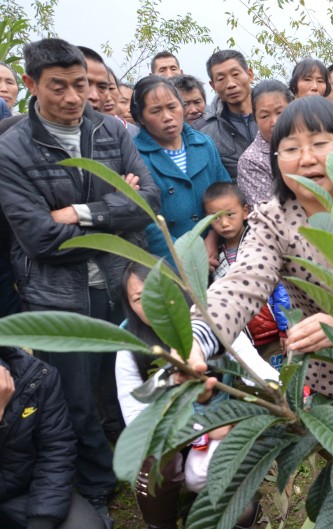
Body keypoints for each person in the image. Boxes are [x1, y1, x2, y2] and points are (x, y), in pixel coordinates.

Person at [0, 38, 160, 515]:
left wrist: (76, 212)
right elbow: (40, 239)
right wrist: (115, 211)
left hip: (118, 280)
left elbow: (148, 202)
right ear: (30, 84)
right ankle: (96, 482)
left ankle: (134, 458)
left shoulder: (110, 130)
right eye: (59, 87)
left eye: (81, 84)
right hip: (57, 293)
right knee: (75, 395)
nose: (74, 97)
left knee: (123, 376)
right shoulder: (11, 149)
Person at [186, 95, 333, 405]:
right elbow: (242, 284)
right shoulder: (273, 219)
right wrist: (197, 339)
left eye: (319, 143)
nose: (306, 158)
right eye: (290, 149)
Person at [115, 263, 267, 529]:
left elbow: (257, 371)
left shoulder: (212, 319)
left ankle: (234, 513)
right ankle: (161, 522)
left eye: (157, 291)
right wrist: (202, 429)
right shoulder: (129, 345)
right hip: (171, 432)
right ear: (129, 306)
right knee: (153, 463)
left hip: (216, 423)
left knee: (215, 482)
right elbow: (135, 418)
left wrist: (287, 396)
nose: (151, 304)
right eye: (139, 299)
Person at [0, 347, 107, 529]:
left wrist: (42, 521)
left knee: (84, 525)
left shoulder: (35, 375)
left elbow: (56, 449)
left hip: (20, 490)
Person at [130, 75, 230, 260]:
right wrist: (185, 257)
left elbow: (225, 194)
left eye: (172, 107)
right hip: (168, 260)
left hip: (214, 253)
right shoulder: (134, 157)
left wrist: (213, 237)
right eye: (156, 111)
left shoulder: (204, 144)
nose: (167, 117)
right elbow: (144, 223)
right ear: (141, 118)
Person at [204, 182, 290, 370]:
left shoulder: (260, 244)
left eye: (230, 214)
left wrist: (285, 327)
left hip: (272, 334)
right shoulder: (213, 255)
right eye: (216, 217)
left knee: (280, 379)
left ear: (245, 211)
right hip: (242, 340)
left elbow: (280, 288)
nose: (224, 223)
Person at [197, 49, 258, 181]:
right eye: (221, 79)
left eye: (235, 74)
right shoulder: (207, 135)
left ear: (250, 74)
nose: (230, 84)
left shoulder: (280, 118)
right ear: (213, 85)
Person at [237, 80, 294, 205]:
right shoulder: (250, 161)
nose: (274, 122)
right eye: (264, 116)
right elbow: (266, 211)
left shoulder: (310, 140)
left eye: (280, 112)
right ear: (255, 119)